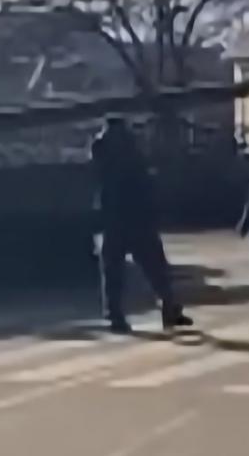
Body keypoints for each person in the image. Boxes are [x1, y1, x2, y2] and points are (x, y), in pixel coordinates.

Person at [91, 116, 193, 334]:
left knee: (114, 269)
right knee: (154, 266)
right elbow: (144, 177)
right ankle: (167, 308)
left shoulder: (102, 147)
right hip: (135, 214)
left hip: (115, 215)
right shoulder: (129, 146)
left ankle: (115, 315)